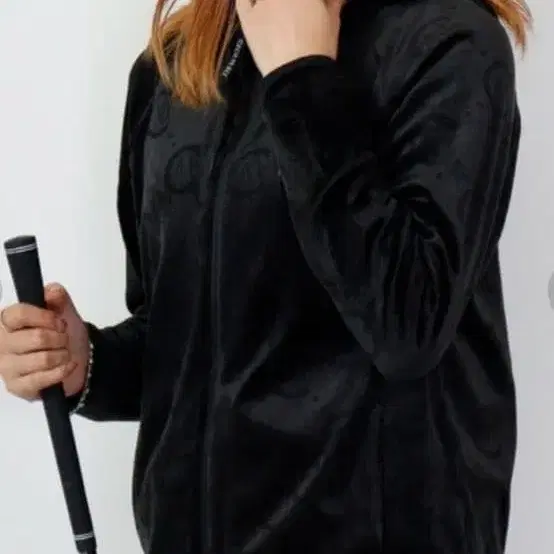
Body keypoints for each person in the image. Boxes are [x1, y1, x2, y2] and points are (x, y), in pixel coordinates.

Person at [0, 0, 531, 552]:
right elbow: (185, 346)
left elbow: (410, 324)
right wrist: (84, 362)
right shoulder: (173, 66)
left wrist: (302, 79)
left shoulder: (448, 43)